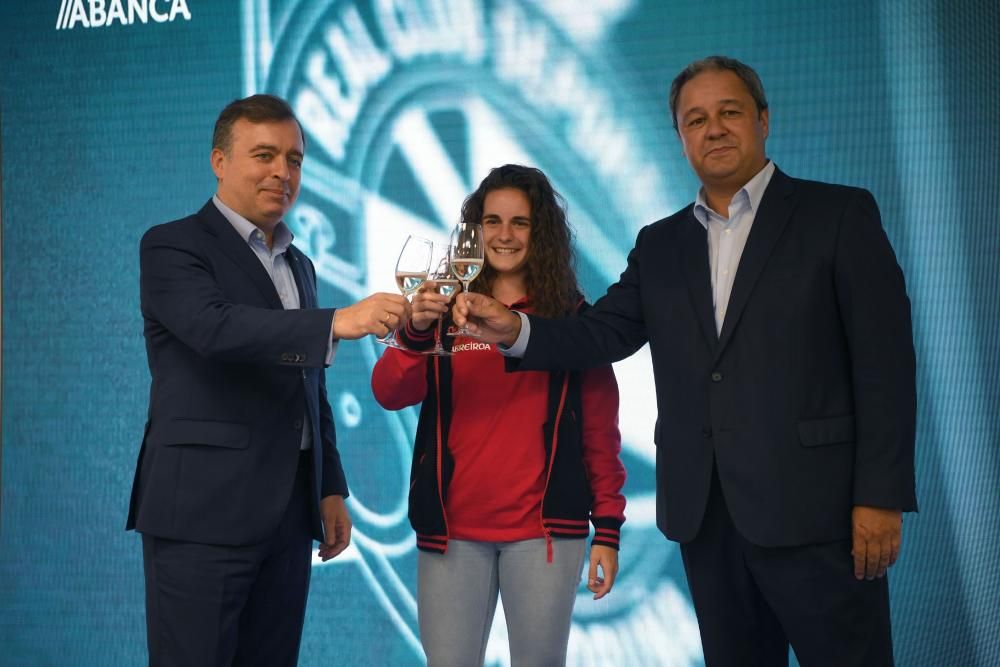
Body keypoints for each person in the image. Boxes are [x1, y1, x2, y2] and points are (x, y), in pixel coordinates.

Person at [455, 57, 917, 666]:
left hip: (821, 518)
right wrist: (512, 328)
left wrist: (879, 496)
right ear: (680, 137)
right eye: (695, 119)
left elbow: (884, 365)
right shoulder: (660, 243)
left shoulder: (839, 216)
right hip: (708, 520)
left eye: (729, 112)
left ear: (763, 119)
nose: (714, 129)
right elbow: (598, 335)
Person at [127, 94, 410, 666]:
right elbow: (215, 329)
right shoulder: (171, 245)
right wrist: (338, 320)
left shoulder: (299, 264)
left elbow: (310, 388)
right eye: (264, 155)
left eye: (295, 160)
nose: (283, 172)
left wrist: (330, 485)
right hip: (201, 516)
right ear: (219, 161)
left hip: (287, 516)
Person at [371, 165, 627, 667]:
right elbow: (388, 392)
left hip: (545, 535)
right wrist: (418, 332)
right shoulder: (444, 312)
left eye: (521, 222)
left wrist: (609, 532)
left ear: (543, 234)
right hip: (452, 532)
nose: (504, 235)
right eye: (492, 221)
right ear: (475, 230)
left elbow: (600, 436)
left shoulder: (572, 321)